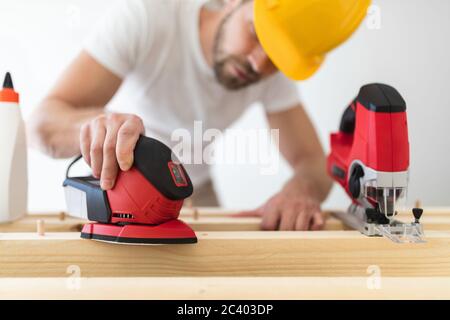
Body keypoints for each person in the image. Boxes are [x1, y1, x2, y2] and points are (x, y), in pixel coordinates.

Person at [28, 0, 369, 231]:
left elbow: (312, 160)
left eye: (278, 59)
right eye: (255, 34)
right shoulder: (149, 17)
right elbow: (42, 124)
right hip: (120, 188)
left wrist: (301, 191)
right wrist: (94, 129)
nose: (257, 64)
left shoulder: (269, 71)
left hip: (196, 189)